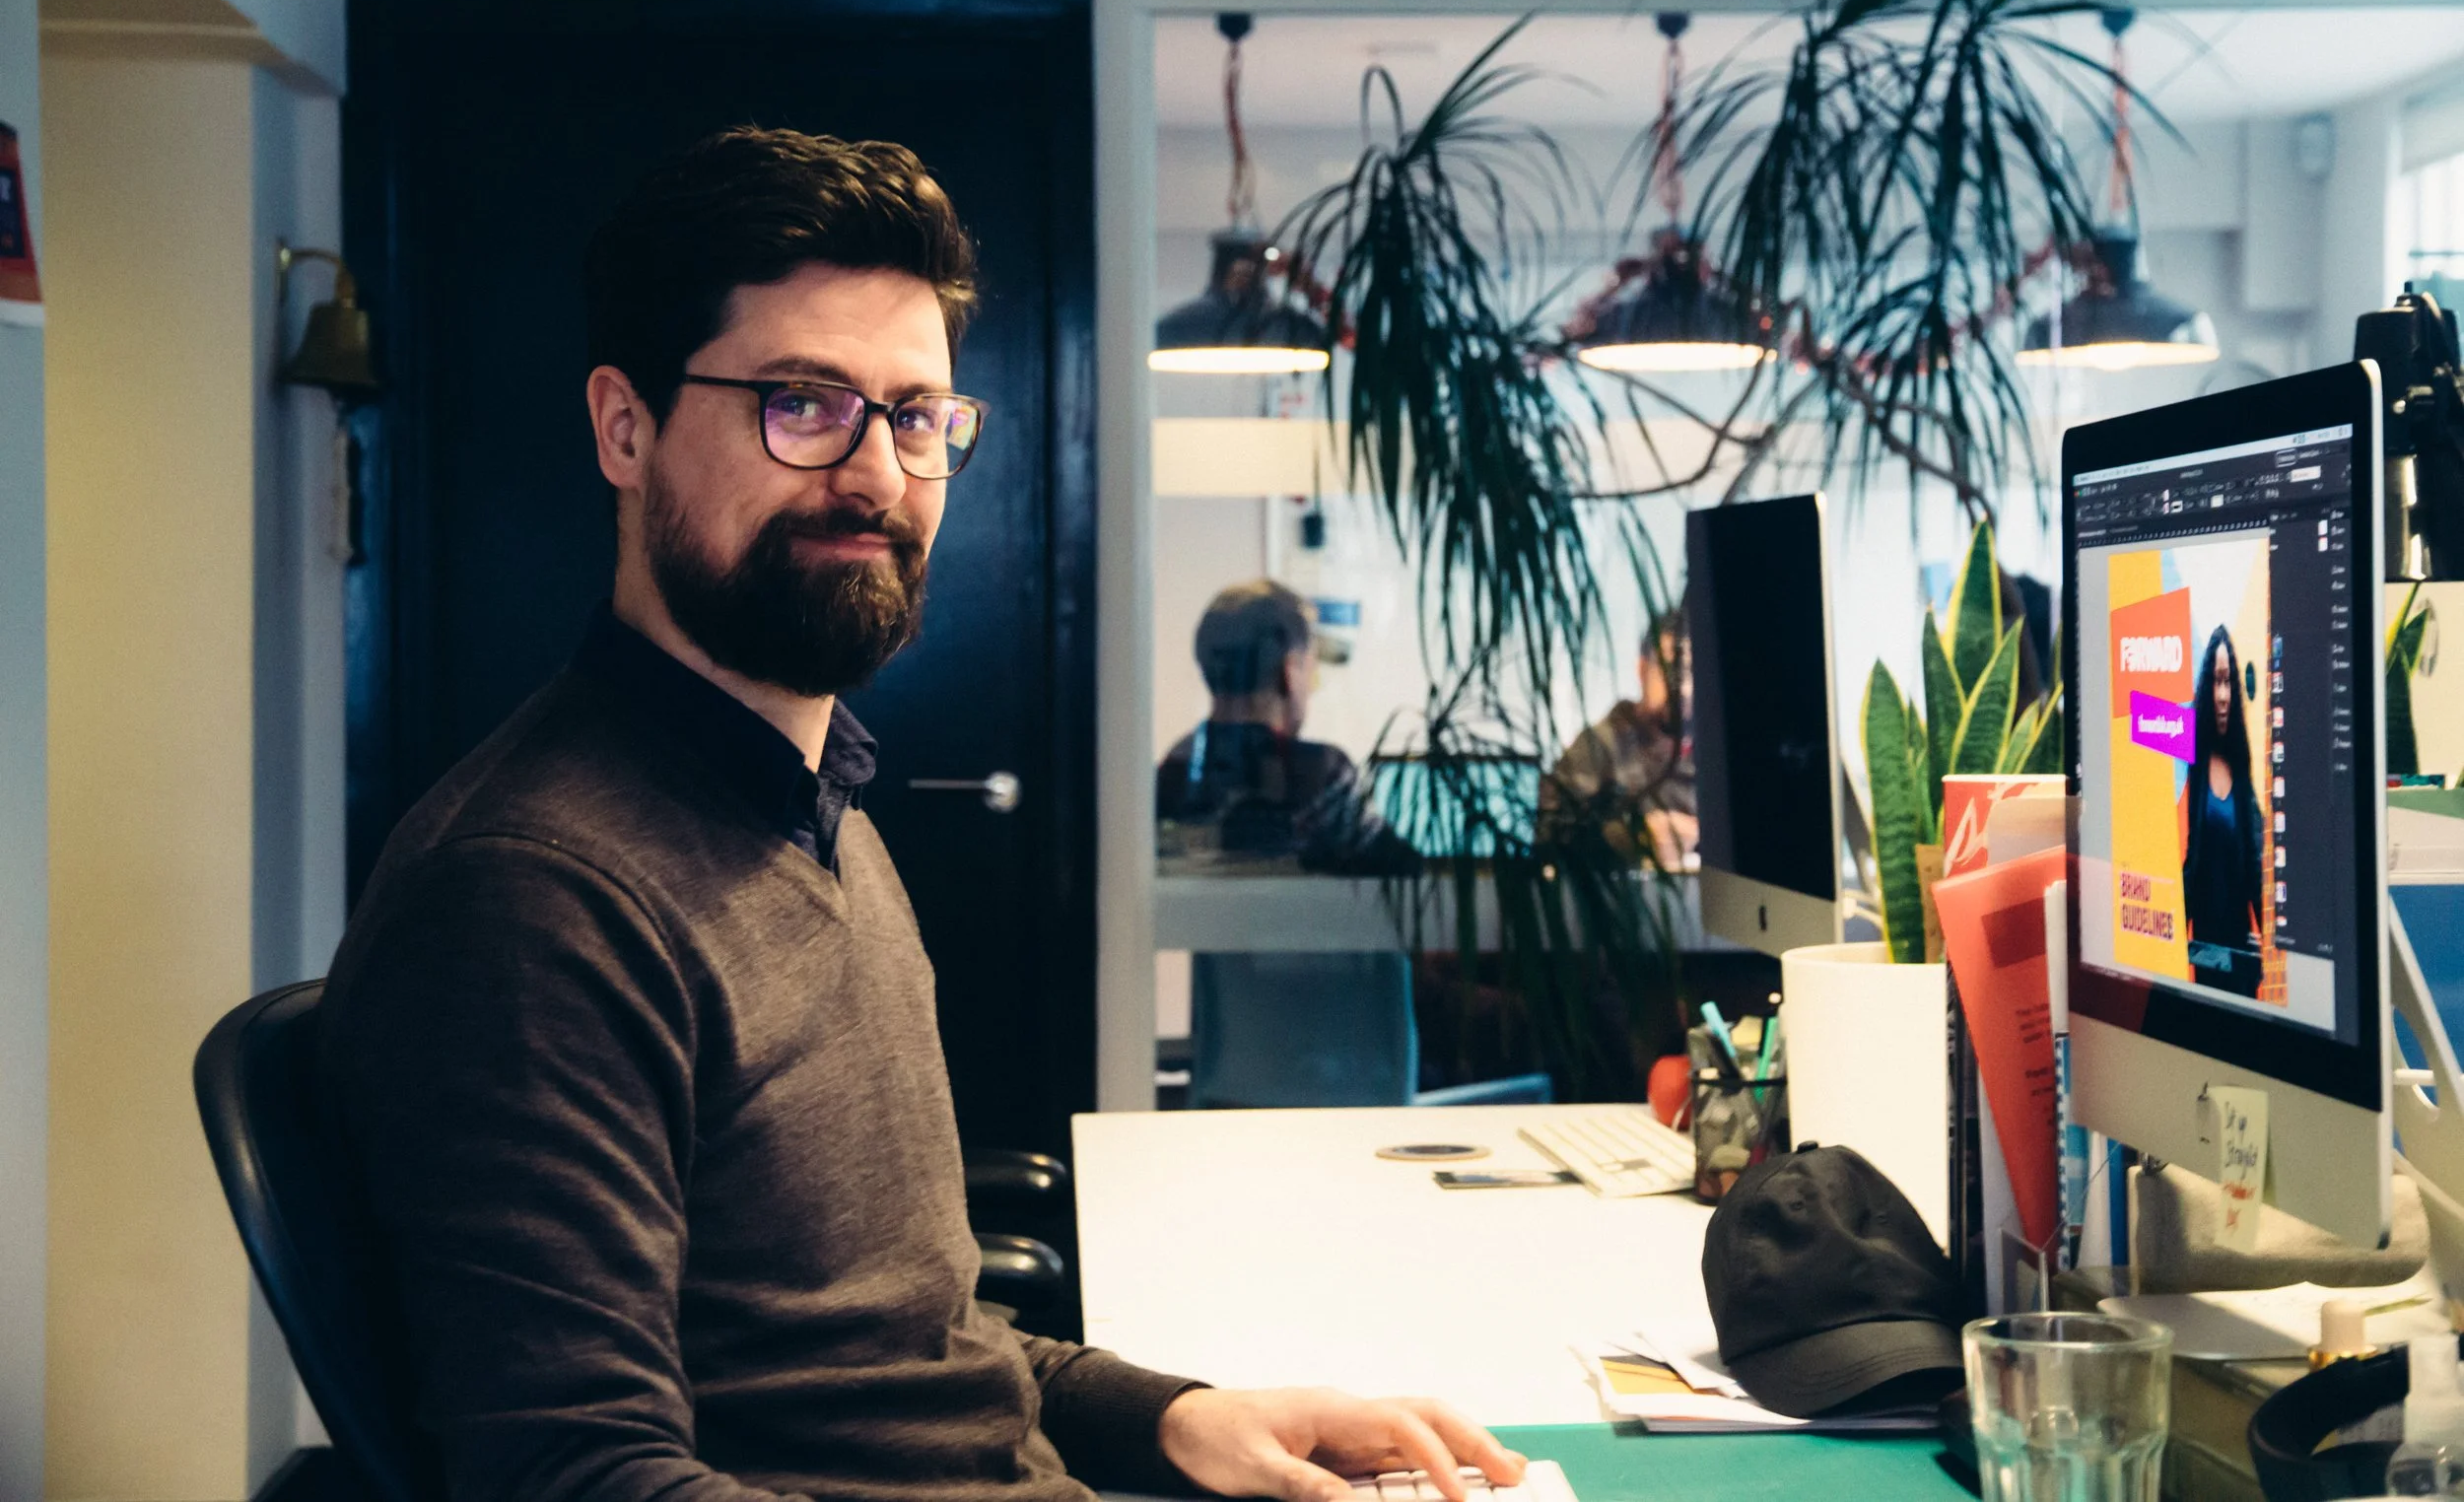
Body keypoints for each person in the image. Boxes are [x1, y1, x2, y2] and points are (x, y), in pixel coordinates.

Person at [319, 129, 1522, 1502]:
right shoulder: (535, 895)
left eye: (916, 416)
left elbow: (910, 1348)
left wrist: (1181, 1415)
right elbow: (579, 1474)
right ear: (625, 427)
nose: (882, 475)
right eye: (802, 404)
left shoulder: (821, 818)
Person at [1155, 580, 1416, 874]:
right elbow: (1406, 881)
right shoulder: (1320, 773)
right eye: (1311, 671)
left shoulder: (1170, 772)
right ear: (1289, 673)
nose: (1311, 689)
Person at [1540, 608, 1696, 870]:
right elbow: (1549, 838)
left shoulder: (1717, 758)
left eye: (1693, 671)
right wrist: (1632, 837)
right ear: (1642, 669)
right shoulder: (1597, 749)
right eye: (1671, 669)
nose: (1682, 687)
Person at [2181, 623, 2267, 996]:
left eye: (2229, 681)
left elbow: (2255, 862)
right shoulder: (2191, 762)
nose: (2222, 695)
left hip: (2241, 956)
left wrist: (2269, 937)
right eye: (2216, 681)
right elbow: (2136, 719)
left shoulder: (2242, 766)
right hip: (2203, 954)